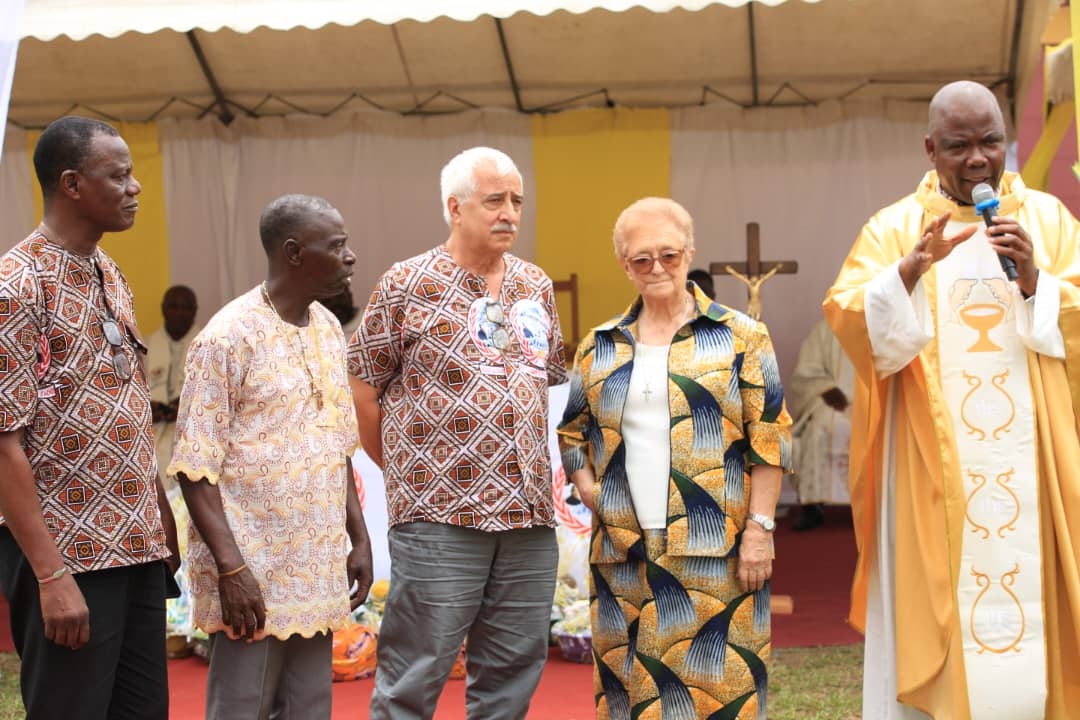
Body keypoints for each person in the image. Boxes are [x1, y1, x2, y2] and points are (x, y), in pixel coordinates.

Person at [825, 80, 1080, 719]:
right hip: (929, 464)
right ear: (931, 149)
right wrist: (908, 271)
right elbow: (849, 317)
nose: (978, 159)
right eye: (959, 145)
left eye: (990, 142)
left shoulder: (1047, 220)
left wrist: (1035, 281)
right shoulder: (893, 228)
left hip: (1032, 461)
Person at [349, 146, 567, 719]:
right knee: (416, 668)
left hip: (527, 515)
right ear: (455, 207)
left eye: (516, 200)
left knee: (513, 669)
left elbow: (547, 382)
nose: (509, 213)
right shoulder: (406, 283)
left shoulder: (535, 285)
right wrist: (407, 472)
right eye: (494, 200)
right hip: (439, 514)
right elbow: (362, 390)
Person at [558, 197, 793, 719]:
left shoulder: (741, 337)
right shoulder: (599, 346)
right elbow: (572, 433)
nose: (657, 268)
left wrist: (760, 530)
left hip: (715, 548)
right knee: (629, 696)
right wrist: (589, 488)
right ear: (625, 265)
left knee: (715, 692)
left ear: (690, 253)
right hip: (622, 554)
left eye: (668, 255)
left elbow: (771, 438)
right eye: (642, 259)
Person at [169, 194, 373, 719]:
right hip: (253, 570)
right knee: (244, 706)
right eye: (337, 246)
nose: (350, 256)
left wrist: (359, 536)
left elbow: (337, 445)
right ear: (294, 253)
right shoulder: (226, 337)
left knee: (309, 708)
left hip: (316, 567)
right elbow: (194, 467)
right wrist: (232, 568)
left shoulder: (328, 328)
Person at [0, 116, 178, 718]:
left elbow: (123, 403)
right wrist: (51, 576)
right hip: (69, 554)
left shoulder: (110, 272)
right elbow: (3, 443)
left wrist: (158, 512)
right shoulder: (17, 285)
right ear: (72, 184)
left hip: (137, 543)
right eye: (119, 175)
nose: (135, 187)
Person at [786, 317, 855, 531]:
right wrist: (825, 389)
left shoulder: (881, 325)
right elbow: (806, 372)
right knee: (819, 428)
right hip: (834, 403)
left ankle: (876, 507)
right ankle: (812, 506)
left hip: (872, 406)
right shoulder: (826, 329)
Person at [146, 284, 199, 489]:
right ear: (163, 309)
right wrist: (149, 407)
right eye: (173, 307)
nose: (179, 313)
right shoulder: (145, 346)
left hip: (192, 437)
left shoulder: (208, 345)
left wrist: (187, 406)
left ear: (195, 311)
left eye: (185, 308)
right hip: (154, 435)